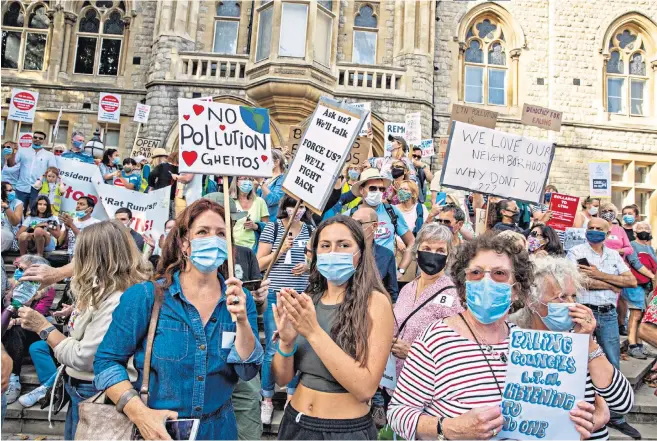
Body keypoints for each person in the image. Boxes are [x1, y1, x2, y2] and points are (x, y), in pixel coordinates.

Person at [388, 233, 596, 440]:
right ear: (463, 284)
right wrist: (449, 427)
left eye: (499, 273)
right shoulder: (435, 339)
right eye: (476, 273)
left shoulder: (529, 345)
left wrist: (570, 424)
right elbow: (398, 413)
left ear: (516, 289)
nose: (486, 282)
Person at [94, 200, 262, 440]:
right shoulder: (146, 296)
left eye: (221, 233)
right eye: (203, 232)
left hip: (218, 431)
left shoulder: (239, 299)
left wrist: (243, 321)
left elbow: (247, 371)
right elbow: (106, 362)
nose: (212, 239)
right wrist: (140, 414)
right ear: (184, 243)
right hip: (157, 431)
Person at [16, 222, 151, 439]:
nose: (76, 262)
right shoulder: (102, 287)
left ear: (96, 257)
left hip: (95, 393)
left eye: (81, 254)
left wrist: (43, 327)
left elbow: (84, 358)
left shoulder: (117, 298)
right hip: (81, 389)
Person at [272, 215, 394, 440]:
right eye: (325, 246)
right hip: (296, 424)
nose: (333, 252)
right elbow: (281, 379)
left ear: (360, 253)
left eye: (344, 245)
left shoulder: (376, 303)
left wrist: (313, 331)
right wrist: (286, 342)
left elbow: (365, 388)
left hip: (345, 431)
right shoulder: (310, 300)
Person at [509, 256, 635, 440]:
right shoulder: (514, 340)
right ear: (531, 300)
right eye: (561, 297)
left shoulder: (579, 338)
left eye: (574, 296)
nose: (571, 303)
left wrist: (588, 343)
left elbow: (623, 403)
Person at [567, 217, 641, 439]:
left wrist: (598, 275)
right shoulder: (576, 252)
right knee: (580, 361)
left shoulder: (613, 255)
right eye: (591, 228)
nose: (595, 231)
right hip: (582, 313)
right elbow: (579, 281)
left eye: (600, 229)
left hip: (608, 314)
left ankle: (615, 416)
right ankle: (583, 409)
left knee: (611, 364)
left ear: (608, 234)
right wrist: (613, 282)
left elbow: (631, 282)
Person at [256, 195, 314, 424]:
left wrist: (309, 264)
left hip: (301, 296)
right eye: (292, 206)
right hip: (275, 294)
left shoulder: (310, 230)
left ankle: (291, 396)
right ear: (285, 207)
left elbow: (317, 260)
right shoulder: (272, 227)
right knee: (273, 348)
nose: (296, 211)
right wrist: (280, 250)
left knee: (296, 347)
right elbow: (259, 263)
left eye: (300, 207)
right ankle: (267, 399)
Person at [3, 255, 57, 405]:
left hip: (35, 331)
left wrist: (14, 319)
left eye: (23, 269)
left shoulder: (47, 290)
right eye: (17, 268)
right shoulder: (12, 286)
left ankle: (14, 377)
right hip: (13, 333)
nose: (18, 272)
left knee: (18, 328)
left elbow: (37, 315)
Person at [349, 168, 415, 279]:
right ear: (361, 190)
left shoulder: (392, 211)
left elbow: (411, 241)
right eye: (373, 188)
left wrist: (401, 270)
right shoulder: (351, 215)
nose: (378, 192)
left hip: (386, 278)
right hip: (358, 277)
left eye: (381, 189)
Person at [351, 206, 398, 301]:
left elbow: (392, 292)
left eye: (359, 223)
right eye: (352, 223)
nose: (354, 228)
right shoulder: (343, 252)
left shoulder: (386, 255)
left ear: (375, 226)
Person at [625, 222, 657, 360]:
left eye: (646, 229)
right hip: (635, 284)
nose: (644, 231)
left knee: (642, 314)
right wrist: (652, 276)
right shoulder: (632, 245)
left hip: (646, 285)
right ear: (634, 232)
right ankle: (632, 345)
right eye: (640, 229)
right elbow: (635, 263)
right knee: (636, 313)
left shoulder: (649, 248)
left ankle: (639, 344)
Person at [4, 130, 57, 209]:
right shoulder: (23, 151)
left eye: (40, 138)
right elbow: (11, 164)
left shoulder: (49, 155)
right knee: (18, 210)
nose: (37, 139)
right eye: (35, 137)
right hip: (21, 188)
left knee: (34, 212)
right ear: (32, 138)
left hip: (38, 189)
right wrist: (11, 154)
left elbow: (53, 172)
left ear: (44, 141)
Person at [230, 177, 270, 250]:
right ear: (236, 182)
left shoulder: (260, 201)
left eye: (250, 179)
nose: (247, 182)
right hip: (233, 248)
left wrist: (255, 226)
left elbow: (268, 228)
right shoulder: (229, 202)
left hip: (254, 248)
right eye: (244, 178)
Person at [148, 148, 178, 217]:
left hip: (161, 196)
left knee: (159, 216)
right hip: (173, 198)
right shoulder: (178, 168)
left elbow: (151, 175)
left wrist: (152, 186)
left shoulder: (161, 166)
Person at [256, 149, 285, 218]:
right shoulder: (266, 178)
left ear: (276, 162)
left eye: (266, 160)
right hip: (261, 219)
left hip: (273, 221)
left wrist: (261, 183)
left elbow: (273, 200)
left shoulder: (282, 179)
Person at [2, 181, 24, 252]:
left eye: (12, 190)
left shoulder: (18, 203)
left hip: (10, 233)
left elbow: (15, 222)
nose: (12, 192)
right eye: (9, 190)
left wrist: (6, 207)